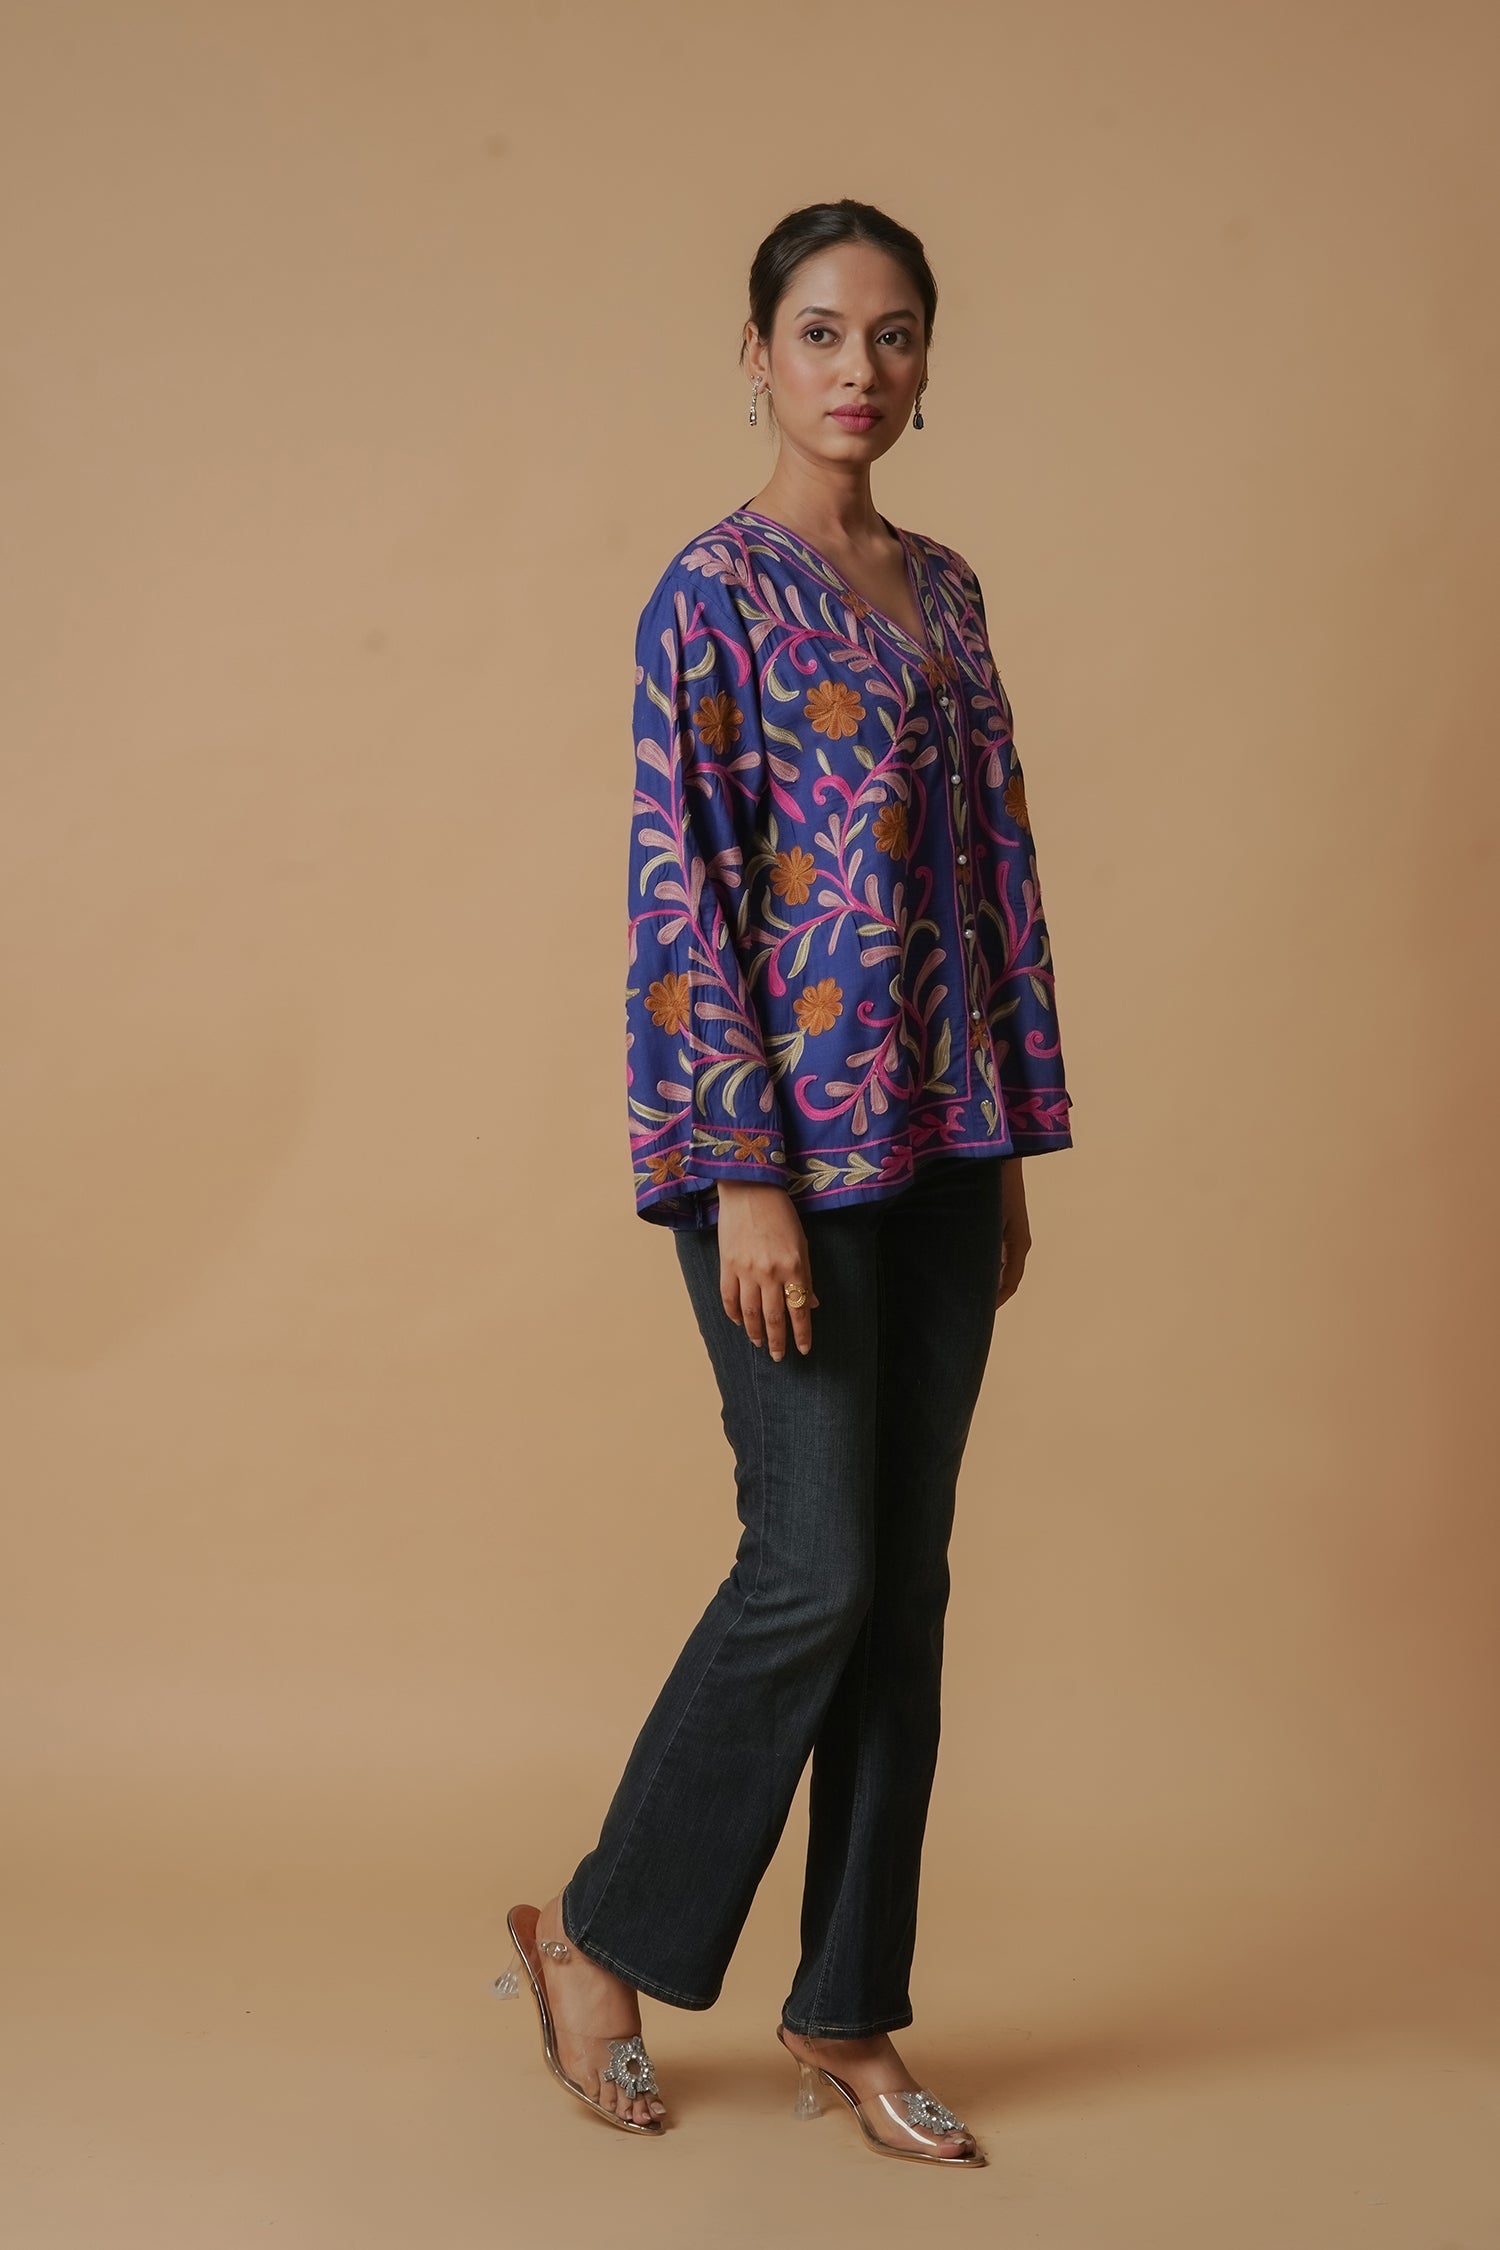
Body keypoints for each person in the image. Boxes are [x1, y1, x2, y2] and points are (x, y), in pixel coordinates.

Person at [500, 198, 1074, 2166]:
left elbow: (994, 879)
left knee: (902, 1587)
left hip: (941, 1137)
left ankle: (847, 2007)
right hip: (784, 1157)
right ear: (755, 354)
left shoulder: (950, 594)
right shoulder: (713, 595)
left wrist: (1006, 1139)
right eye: (821, 331)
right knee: (814, 1565)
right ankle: (597, 1936)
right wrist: (741, 1173)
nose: (859, 368)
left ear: (925, 364)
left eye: (893, 334)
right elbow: (684, 890)